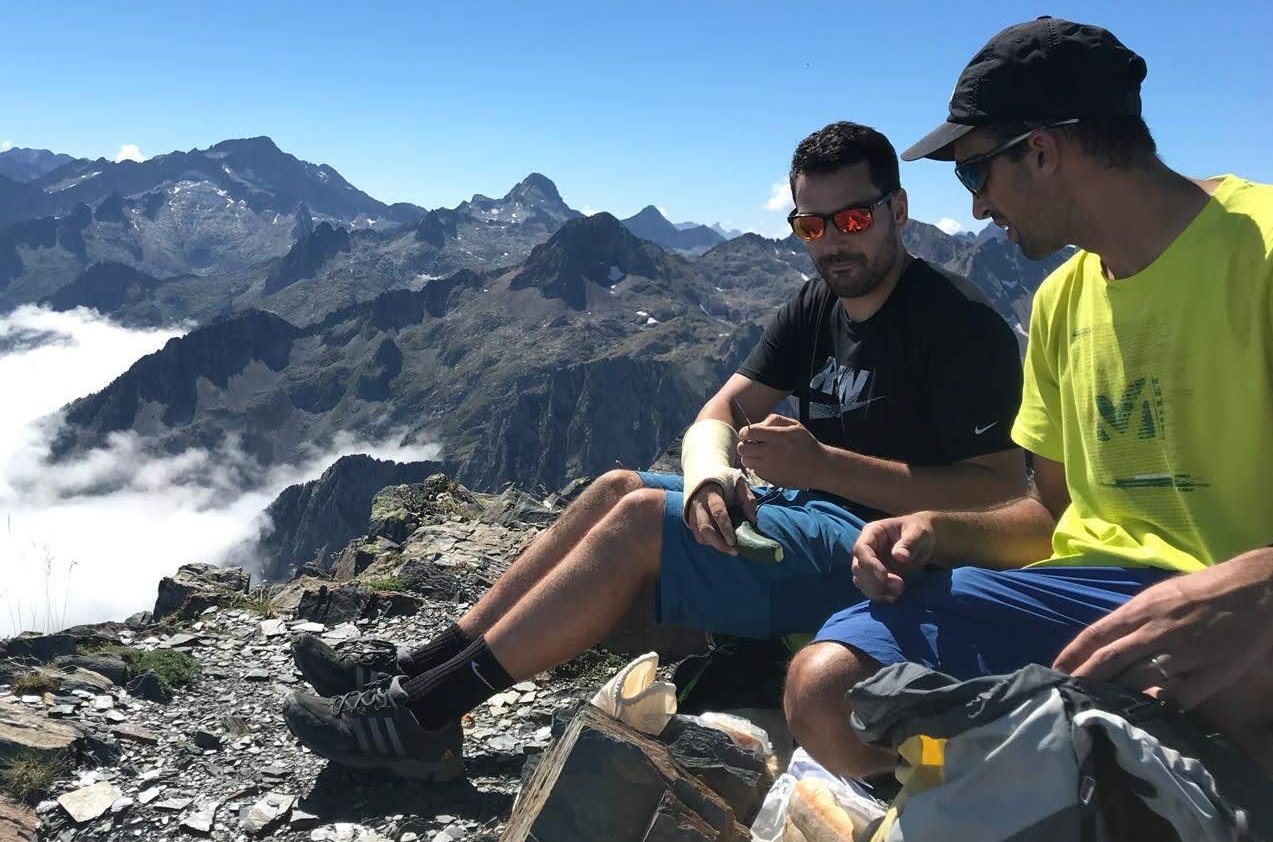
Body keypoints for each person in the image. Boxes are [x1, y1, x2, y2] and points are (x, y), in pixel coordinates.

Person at [282, 122, 1028, 780]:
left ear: (898, 211)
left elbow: (1000, 494)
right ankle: (417, 668)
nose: (833, 241)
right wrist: (709, 479)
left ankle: (426, 716)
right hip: (811, 515)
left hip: (892, 560)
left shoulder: (956, 324)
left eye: (854, 217)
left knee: (640, 521)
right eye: (812, 225)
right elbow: (721, 411)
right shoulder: (819, 305)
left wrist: (828, 467)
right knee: (615, 488)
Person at [785, 17, 1273, 779]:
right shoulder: (1062, 300)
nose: (978, 208)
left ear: (1042, 151)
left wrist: (1261, 584)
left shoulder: (1267, 249)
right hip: (1093, 601)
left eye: (972, 173)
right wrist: (933, 529)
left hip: (1254, 604)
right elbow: (1050, 516)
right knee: (828, 690)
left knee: (1228, 705)